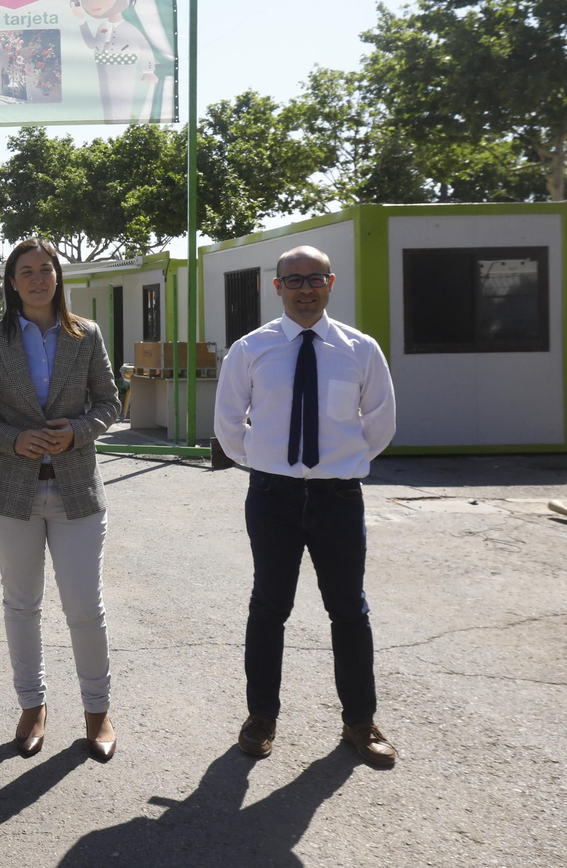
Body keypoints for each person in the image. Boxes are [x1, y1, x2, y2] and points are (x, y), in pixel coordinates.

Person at [213, 245, 399, 767]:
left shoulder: (360, 350)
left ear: (331, 283)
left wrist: (343, 460)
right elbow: (228, 424)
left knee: (348, 610)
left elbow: (379, 422)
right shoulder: (251, 350)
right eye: (293, 280)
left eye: (314, 279)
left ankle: (359, 722)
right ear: (276, 288)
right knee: (269, 608)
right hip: (271, 497)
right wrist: (266, 460)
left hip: (338, 499)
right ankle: (261, 717)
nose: (304, 289)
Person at [0, 239, 122, 762]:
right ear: (11, 282)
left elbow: (109, 403)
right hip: (11, 494)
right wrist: (13, 439)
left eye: (45, 269)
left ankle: (98, 712)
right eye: (25, 271)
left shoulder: (87, 334)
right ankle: (33, 706)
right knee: (22, 605)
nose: (36, 279)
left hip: (76, 490)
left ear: (58, 276)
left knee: (84, 608)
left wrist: (76, 432)